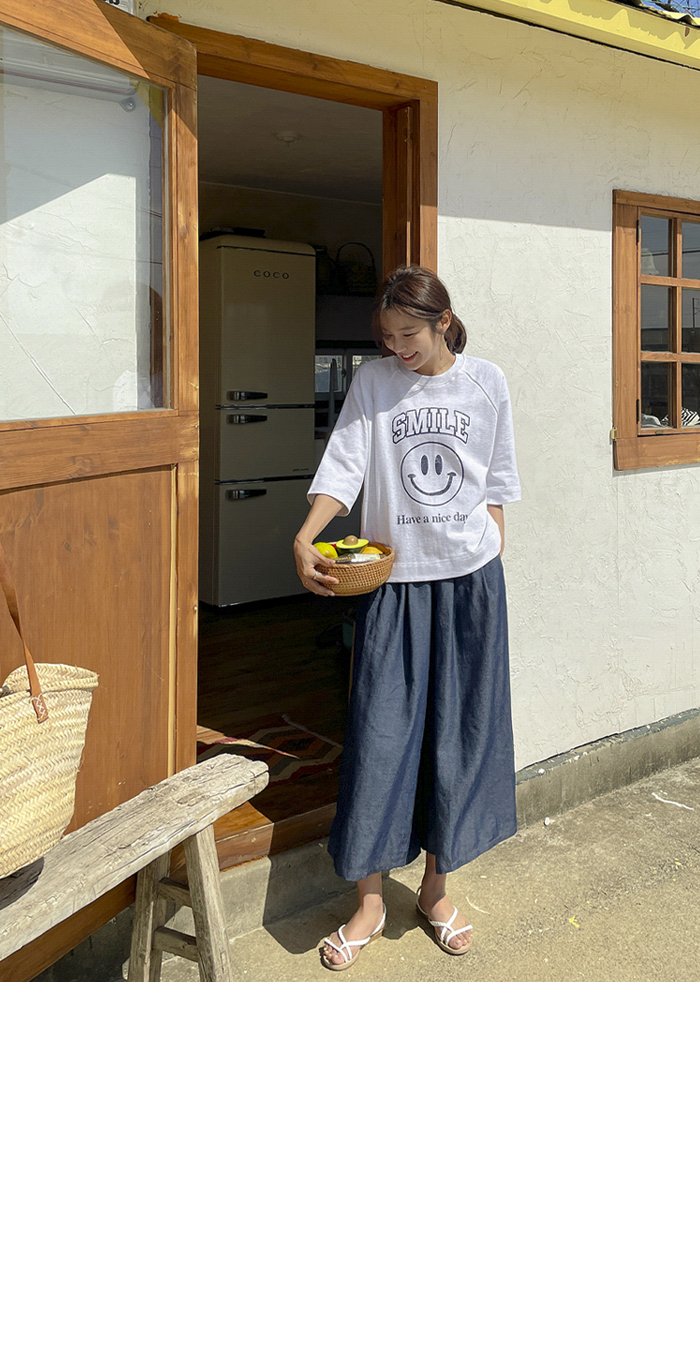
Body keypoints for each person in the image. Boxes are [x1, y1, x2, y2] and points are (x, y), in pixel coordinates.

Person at [293, 265, 521, 971]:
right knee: (380, 739)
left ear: (442, 322)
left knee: (460, 740)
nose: (398, 348)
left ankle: (434, 891)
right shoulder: (374, 382)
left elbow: (498, 479)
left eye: (409, 335)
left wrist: (488, 544)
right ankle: (369, 902)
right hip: (393, 587)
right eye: (388, 337)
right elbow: (345, 466)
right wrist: (307, 534)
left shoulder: (486, 382)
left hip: (469, 587)